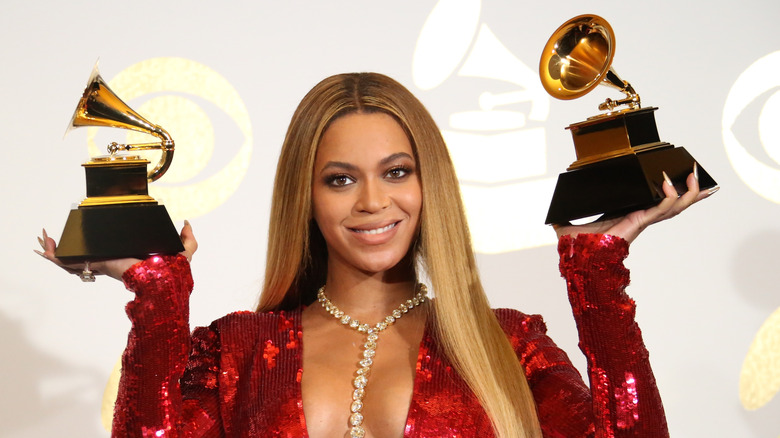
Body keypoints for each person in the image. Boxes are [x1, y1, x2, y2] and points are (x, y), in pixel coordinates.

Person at [38, 72, 715, 438]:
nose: (371, 202)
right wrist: (158, 297)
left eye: (396, 172)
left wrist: (597, 277)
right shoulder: (235, 353)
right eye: (340, 179)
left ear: (430, 185)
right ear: (305, 196)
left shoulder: (509, 345)